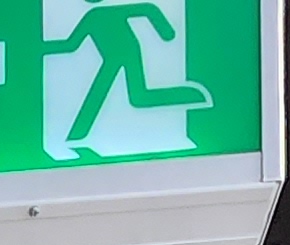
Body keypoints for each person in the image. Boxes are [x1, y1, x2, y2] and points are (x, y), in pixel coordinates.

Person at [51, 0, 210, 153]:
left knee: (134, 96)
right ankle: (76, 135)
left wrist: (165, 31)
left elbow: (147, 9)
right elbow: (71, 44)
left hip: (129, 53)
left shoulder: (99, 14)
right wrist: (42, 48)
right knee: (137, 96)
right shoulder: (92, 17)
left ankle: (77, 135)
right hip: (113, 57)